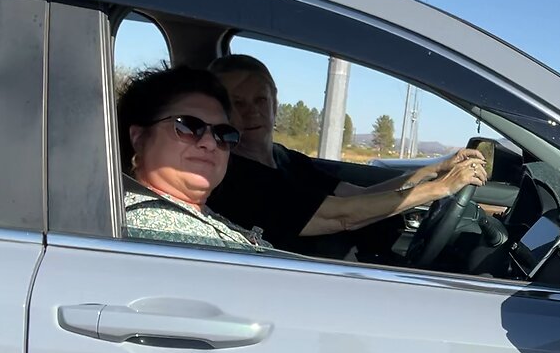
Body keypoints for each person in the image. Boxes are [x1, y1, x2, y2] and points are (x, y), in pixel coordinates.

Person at [204, 54, 487, 257]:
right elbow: (342, 216)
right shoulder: (234, 177)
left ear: (275, 102)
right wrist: (440, 188)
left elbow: (355, 196)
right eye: (237, 102)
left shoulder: (284, 158)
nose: (251, 111)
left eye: (260, 100)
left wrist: (433, 169)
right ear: (220, 111)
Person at [117, 66, 269, 251]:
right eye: (188, 126)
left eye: (223, 133)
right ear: (139, 139)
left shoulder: (199, 217)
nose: (210, 143)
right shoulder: (158, 229)